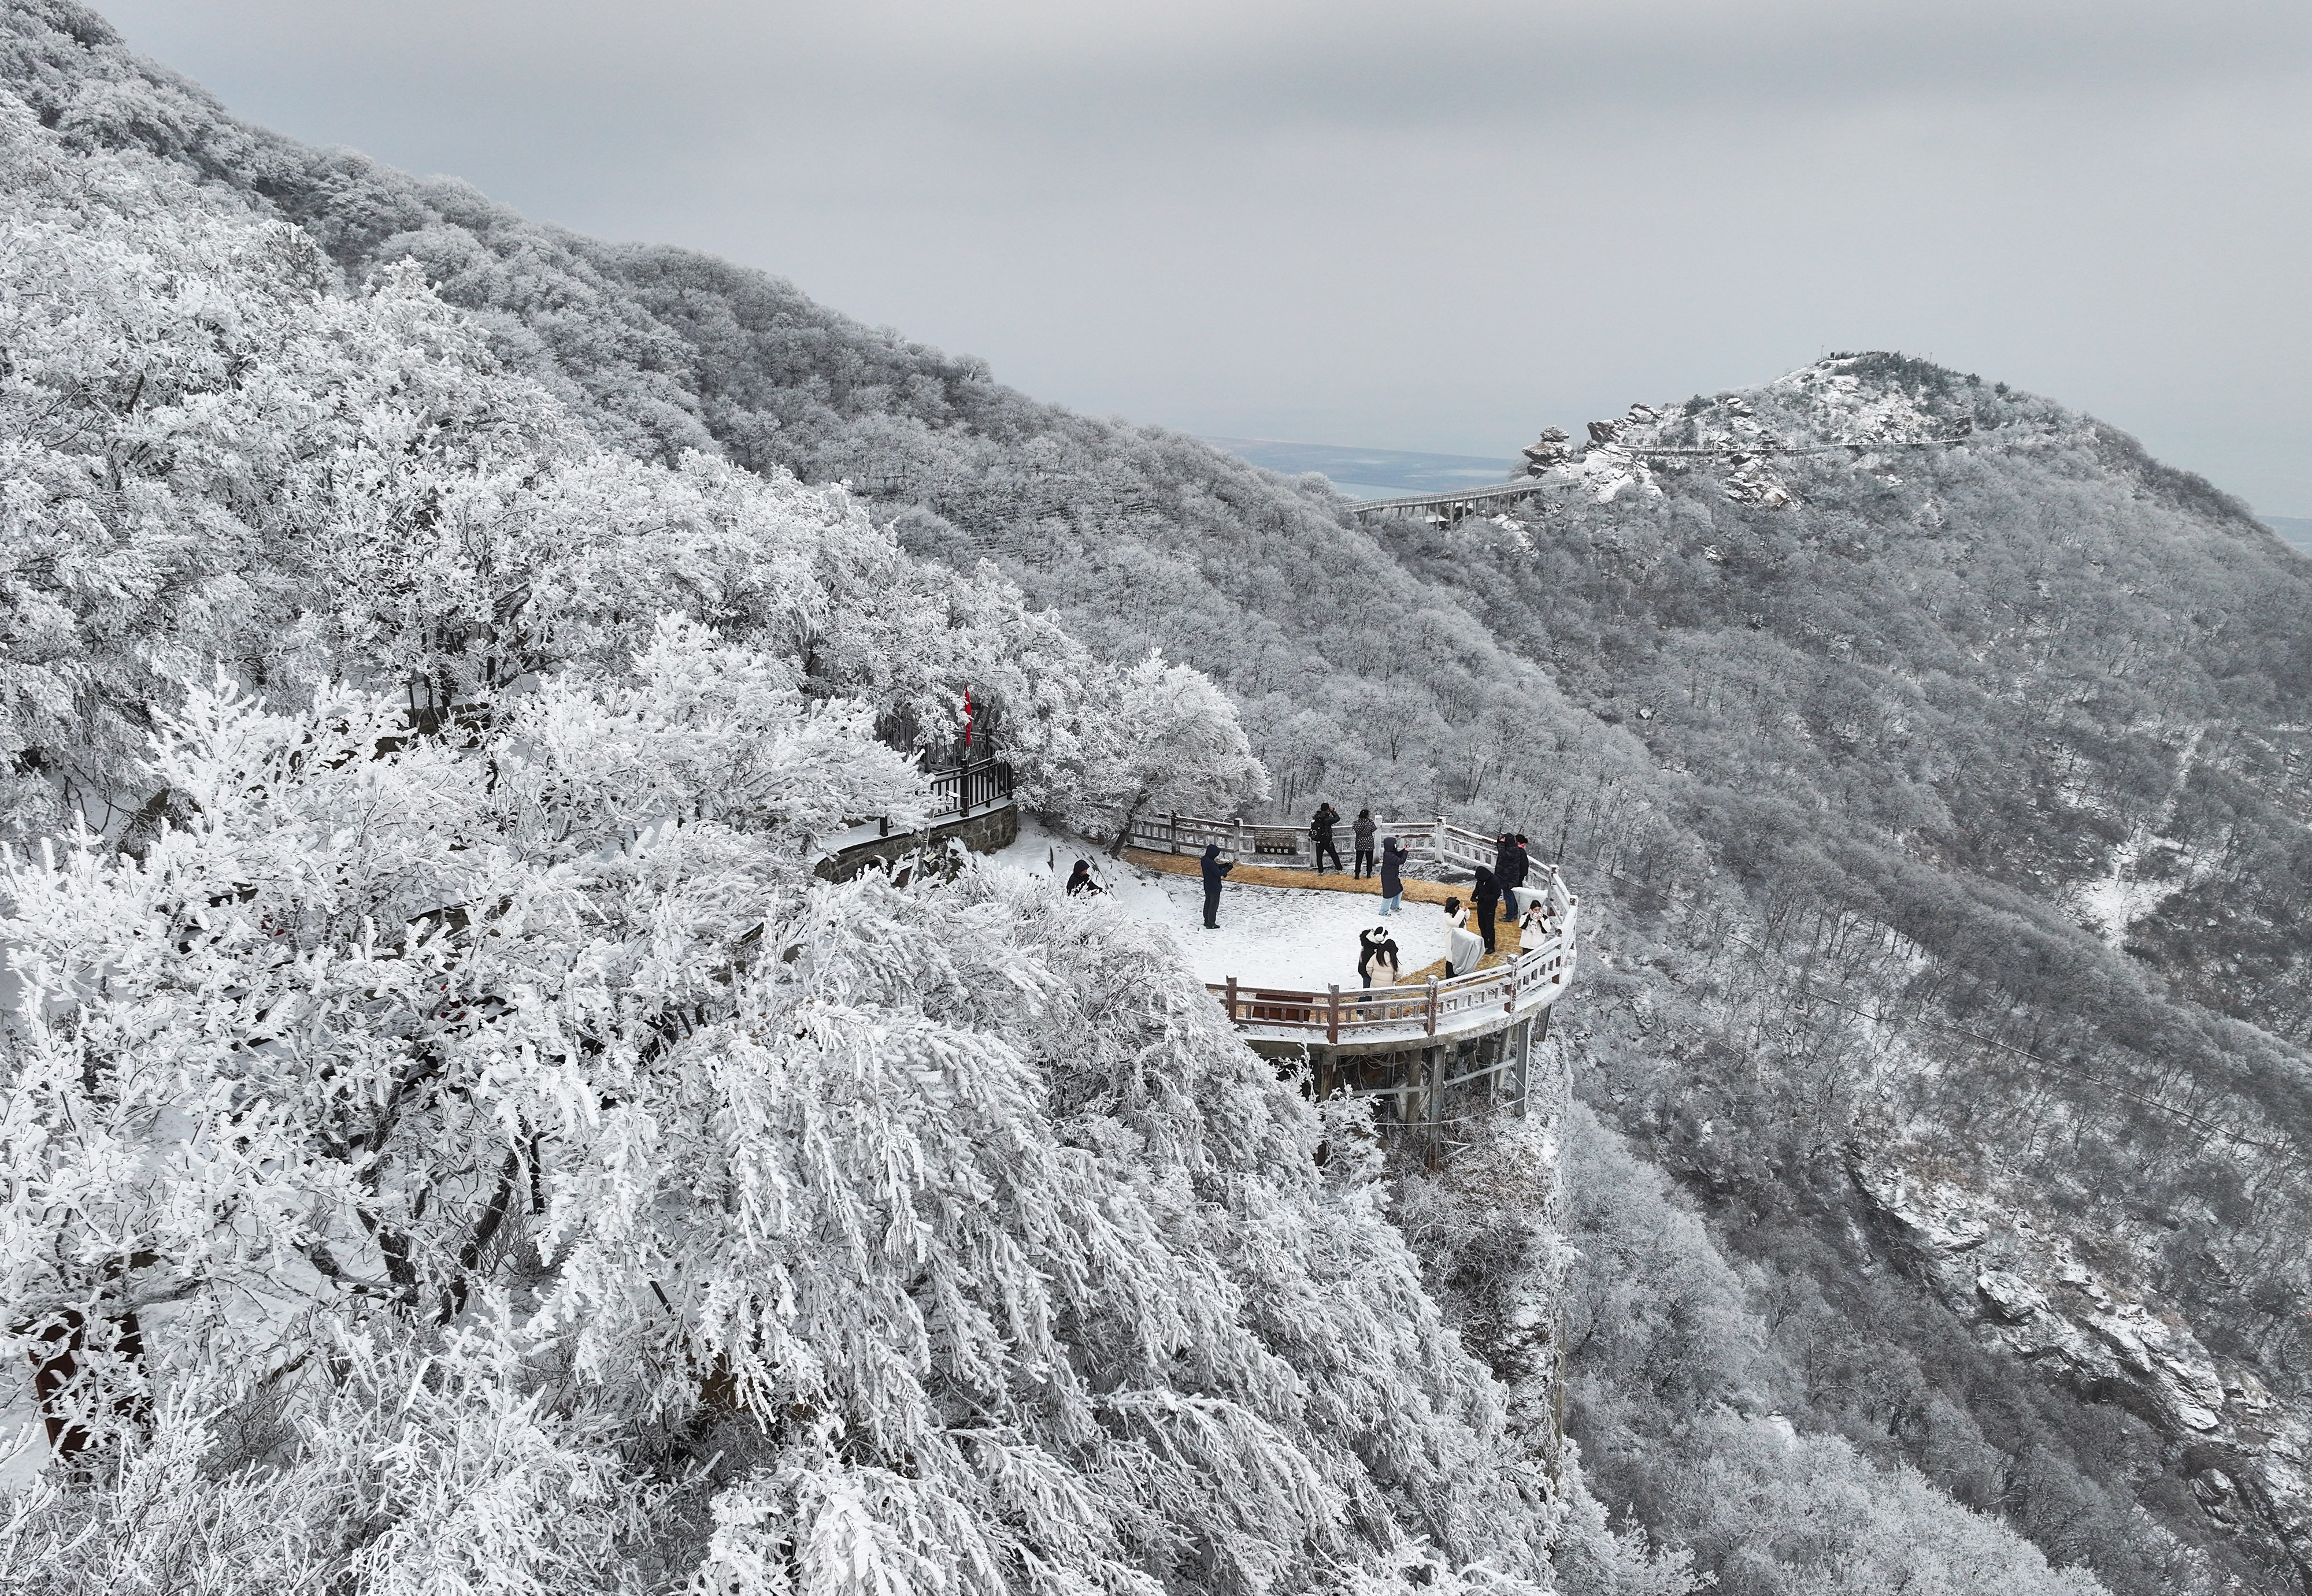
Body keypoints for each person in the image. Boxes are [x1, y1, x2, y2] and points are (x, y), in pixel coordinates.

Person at [1444, 896, 1484, 978]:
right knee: (1451, 958)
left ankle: (1459, 973)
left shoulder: (1459, 913)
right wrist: (1461, 912)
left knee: (1460, 957)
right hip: (1452, 940)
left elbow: (1466, 916)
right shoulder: (1447, 916)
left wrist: (1464, 910)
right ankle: (1450, 976)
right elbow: (1455, 922)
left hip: (1461, 940)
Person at [1199, 842, 1233, 929]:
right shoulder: (1210, 862)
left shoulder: (1205, 860)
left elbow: (1215, 867)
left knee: (1208, 903)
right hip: (1214, 887)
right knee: (1213, 906)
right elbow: (1218, 873)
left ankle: (1207, 921)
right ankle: (1211, 923)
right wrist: (1227, 869)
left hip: (1208, 885)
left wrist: (1224, 865)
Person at [1357, 926, 1400, 990]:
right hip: (1366, 972)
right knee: (1367, 991)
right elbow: (1370, 965)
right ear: (1380, 937)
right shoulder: (1370, 947)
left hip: (1366, 970)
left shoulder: (1372, 942)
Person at [1494, 832, 1521, 920]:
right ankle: (1513, 913)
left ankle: (1510, 916)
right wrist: (1500, 843)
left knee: (1508, 896)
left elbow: (1503, 855)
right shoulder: (1514, 848)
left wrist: (1501, 844)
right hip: (1510, 877)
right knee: (1511, 895)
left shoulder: (1511, 850)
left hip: (1508, 877)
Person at [1310, 802, 1343, 874]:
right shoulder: (1328, 819)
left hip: (1319, 841)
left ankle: (1321, 872)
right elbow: (1337, 818)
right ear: (1328, 809)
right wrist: (1333, 811)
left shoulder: (1317, 817)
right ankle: (1339, 869)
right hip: (1327, 840)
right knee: (1334, 855)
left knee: (1319, 857)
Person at [1473, 865, 1500, 953]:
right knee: (1482, 925)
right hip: (1481, 905)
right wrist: (1474, 896)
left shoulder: (1494, 880)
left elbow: (1496, 895)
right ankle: (1485, 942)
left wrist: (1484, 898)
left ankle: (1491, 946)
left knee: (1489, 926)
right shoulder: (1481, 880)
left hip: (1490, 907)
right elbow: (1478, 888)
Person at [1378, 836, 1406, 915]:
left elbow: (1398, 855)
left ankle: (1395, 906)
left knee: (1399, 890)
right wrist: (1406, 852)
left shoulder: (1390, 853)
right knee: (1388, 894)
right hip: (1388, 877)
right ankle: (1383, 912)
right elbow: (1401, 861)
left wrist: (1404, 850)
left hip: (1392, 875)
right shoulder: (1389, 855)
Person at [1352, 808, 1377, 878]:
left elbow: (1354, 829)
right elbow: (1374, 829)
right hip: (1369, 843)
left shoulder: (1356, 823)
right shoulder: (1370, 823)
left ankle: (1357, 874)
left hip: (1359, 842)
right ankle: (1368, 874)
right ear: (1367, 816)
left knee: (1359, 859)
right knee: (1369, 859)